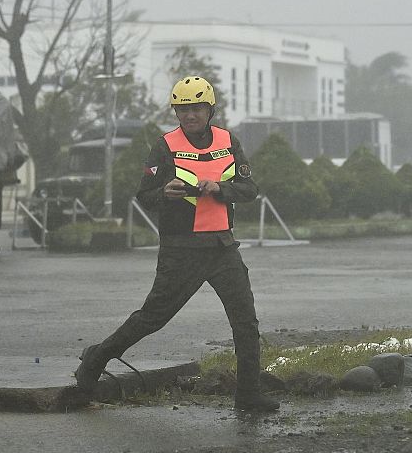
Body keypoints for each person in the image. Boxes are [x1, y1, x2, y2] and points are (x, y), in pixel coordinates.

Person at [74, 76, 279, 412]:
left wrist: (219, 189)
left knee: (245, 321)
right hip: (181, 249)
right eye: (182, 110)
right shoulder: (165, 145)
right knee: (153, 318)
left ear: (209, 109)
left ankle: (248, 395)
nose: (189, 116)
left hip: (222, 247)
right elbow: (145, 194)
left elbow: (248, 189)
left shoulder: (229, 142)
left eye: (196, 108)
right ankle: (95, 359)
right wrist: (164, 194)